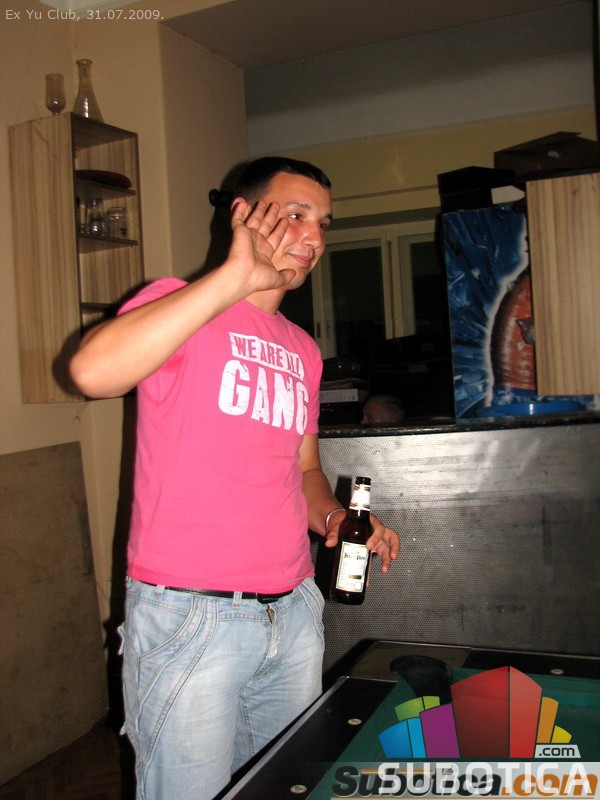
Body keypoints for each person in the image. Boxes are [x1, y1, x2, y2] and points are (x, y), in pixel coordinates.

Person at [69, 156, 400, 800]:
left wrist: (337, 519)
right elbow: (91, 372)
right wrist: (234, 277)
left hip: (293, 613)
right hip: (191, 617)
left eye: (323, 223)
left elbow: (304, 469)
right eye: (296, 214)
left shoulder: (302, 348)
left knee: (282, 787)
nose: (313, 237)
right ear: (242, 214)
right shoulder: (179, 304)